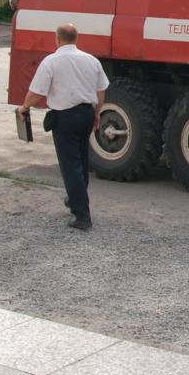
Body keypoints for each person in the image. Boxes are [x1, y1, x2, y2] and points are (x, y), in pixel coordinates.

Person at [21, 22, 108, 231]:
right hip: (86, 114)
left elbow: (36, 92)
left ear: (57, 39)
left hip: (65, 117)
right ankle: (75, 199)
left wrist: (24, 107)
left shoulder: (51, 61)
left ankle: (82, 215)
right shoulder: (91, 60)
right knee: (81, 160)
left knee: (70, 165)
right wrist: (96, 113)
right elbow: (102, 90)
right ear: (76, 39)